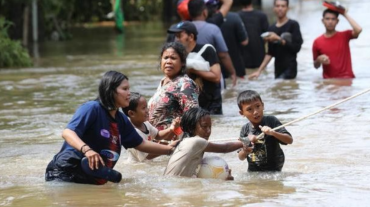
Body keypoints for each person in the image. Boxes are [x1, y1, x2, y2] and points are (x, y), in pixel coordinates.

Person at [45, 71, 178, 185]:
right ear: (110, 91)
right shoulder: (92, 108)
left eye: (129, 89)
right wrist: (87, 150)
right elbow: (68, 132)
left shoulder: (121, 119)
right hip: (64, 174)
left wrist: (171, 150)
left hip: (92, 177)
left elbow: (141, 144)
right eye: (124, 89)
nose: (129, 94)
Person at [164, 107, 243, 178]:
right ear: (191, 128)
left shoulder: (186, 140)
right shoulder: (197, 141)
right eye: (204, 126)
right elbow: (225, 148)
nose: (208, 131)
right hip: (177, 186)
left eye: (210, 127)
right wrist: (245, 142)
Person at [168, 21, 223, 114]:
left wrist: (193, 70)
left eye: (179, 36)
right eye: (175, 36)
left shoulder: (207, 50)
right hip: (190, 103)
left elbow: (217, 77)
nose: (176, 39)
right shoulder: (177, 55)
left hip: (211, 103)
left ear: (191, 37)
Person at [148, 42, 199, 133]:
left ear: (182, 62)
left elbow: (193, 117)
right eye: (166, 58)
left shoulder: (185, 84)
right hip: (156, 141)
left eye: (173, 58)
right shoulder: (163, 81)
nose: (168, 61)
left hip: (173, 141)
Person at [237, 90, 293, 171]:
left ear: (262, 105)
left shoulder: (271, 121)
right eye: (249, 109)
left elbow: (289, 140)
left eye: (258, 106)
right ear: (242, 113)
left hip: (275, 170)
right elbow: (241, 157)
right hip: (254, 171)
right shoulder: (245, 129)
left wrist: (273, 133)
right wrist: (246, 149)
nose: (255, 112)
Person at [248, 0, 303, 80]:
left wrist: (278, 39)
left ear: (287, 8)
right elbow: (270, 53)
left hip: (290, 69)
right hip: (277, 70)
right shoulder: (272, 28)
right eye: (277, 6)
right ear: (274, 8)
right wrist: (259, 71)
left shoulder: (293, 25)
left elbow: (296, 48)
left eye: (283, 6)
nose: (280, 8)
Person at [188, 0, 237, 87]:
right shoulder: (213, 29)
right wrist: (232, 72)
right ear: (204, 12)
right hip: (211, 74)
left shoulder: (181, 31)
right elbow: (223, 55)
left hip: (188, 75)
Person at [122, 92, 181, 162]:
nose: (147, 110)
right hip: (137, 165)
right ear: (131, 113)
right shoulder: (135, 132)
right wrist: (168, 147)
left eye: (146, 107)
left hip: (145, 163)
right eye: (143, 108)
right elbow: (147, 156)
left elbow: (158, 135)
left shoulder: (145, 123)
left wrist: (171, 128)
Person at [312, 9, 362, 79]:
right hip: (329, 82)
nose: (330, 22)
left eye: (333, 19)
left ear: (337, 21)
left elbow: (358, 29)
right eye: (327, 19)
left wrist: (344, 14)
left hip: (347, 80)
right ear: (322, 21)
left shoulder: (345, 35)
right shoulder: (317, 42)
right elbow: (316, 66)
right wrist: (319, 60)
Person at [238, 0, 269, 69]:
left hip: (244, 60)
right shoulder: (262, 16)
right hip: (258, 59)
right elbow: (267, 37)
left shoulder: (236, 17)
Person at [220, 11, 249, 78]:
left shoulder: (209, 19)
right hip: (236, 65)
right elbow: (244, 41)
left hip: (216, 69)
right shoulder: (234, 17)